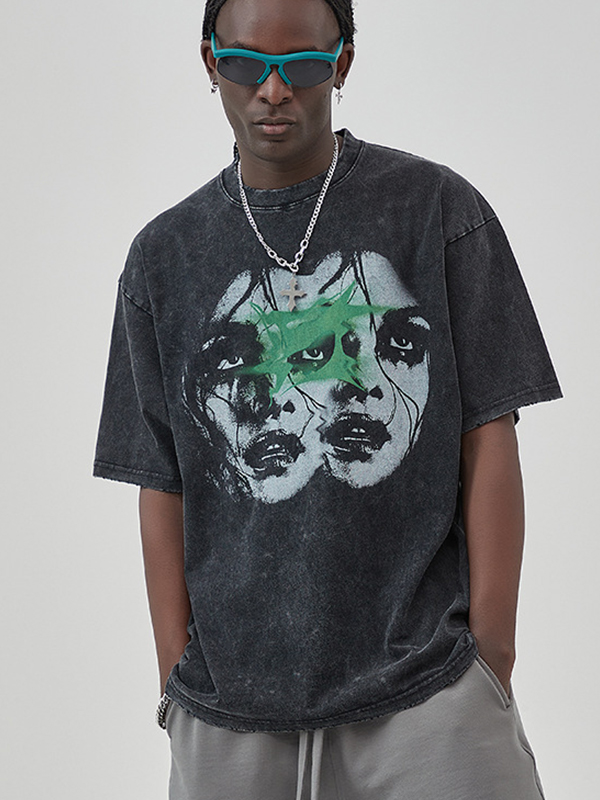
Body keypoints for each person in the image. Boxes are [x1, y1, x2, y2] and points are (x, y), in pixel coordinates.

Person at [92, 0, 563, 797]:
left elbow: (490, 433)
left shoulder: (437, 211)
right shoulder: (163, 259)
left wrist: (492, 655)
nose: (273, 90)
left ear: (342, 62)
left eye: (303, 64)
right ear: (210, 63)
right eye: (246, 63)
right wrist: (176, 682)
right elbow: (160, 480)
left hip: (430, 700)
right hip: (230, 719)